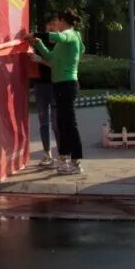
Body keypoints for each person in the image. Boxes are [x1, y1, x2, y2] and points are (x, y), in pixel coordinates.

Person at [29, 9, 85, 175]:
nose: (55, 25)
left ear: (62, 21)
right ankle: (64, 157)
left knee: (70, 123)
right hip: (60, 85)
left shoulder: (71, 34)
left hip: (67, 85)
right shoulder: (63, 41)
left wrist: (35, 34)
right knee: (62, 123)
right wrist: (38, 43)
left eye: (56, 22)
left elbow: (61, 37)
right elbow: (51, 58)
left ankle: (76, 162)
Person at [30, 15, 59, 166]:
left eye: (55, 24)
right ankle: (47, 153)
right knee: (43, 122)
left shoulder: (61, 43)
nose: (53, 27)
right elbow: (28, 40)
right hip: (40, 85)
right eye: (50, 24)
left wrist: (40, 60)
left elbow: (56, 65)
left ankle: (62, 154)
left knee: (56, 123)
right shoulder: (40, 40)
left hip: (56, 84)